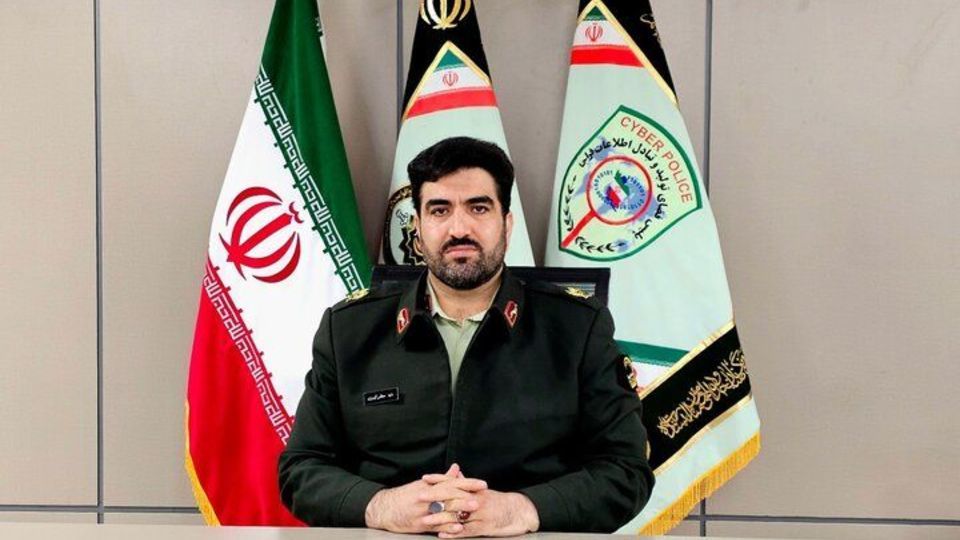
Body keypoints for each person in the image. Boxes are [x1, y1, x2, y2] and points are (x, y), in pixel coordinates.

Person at [278, 136, 653, 536]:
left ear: (506, 224)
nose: (459, 228)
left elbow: (626, 471)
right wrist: (380, 506)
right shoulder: (349, 331)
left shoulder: (578, 328)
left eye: (479, 208)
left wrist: (523, 510)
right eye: (439, 210)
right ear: (418, 228)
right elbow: (301, 468)